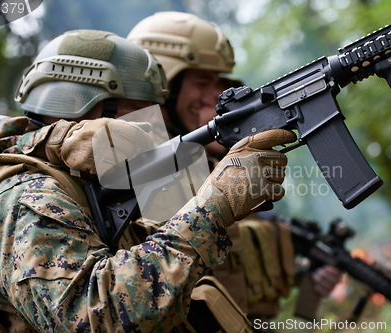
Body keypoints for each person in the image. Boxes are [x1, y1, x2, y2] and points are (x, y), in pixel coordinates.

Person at [0, 29, 295, 332]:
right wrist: (214, 206)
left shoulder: (86, 190)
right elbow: (97, 316)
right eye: (136, 111)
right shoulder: (26, 197)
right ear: (84, 106)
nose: (151, 129)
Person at [127, 11, 342, 327]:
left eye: (220, 84)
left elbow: (242, 276)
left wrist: (309, 279)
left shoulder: (222, 171)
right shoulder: (138, 174)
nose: (214, 97)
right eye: (202, 82)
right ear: (163, 88)